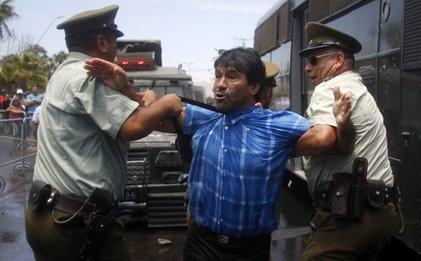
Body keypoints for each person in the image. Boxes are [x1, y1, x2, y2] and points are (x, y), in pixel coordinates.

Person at [85, 47, 353, 260]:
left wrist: (341, 123)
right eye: (218, 75)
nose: (220, 84)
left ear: (255, 87)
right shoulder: (201, 118)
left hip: (250, 251)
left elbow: (326, 138)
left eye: (232, 76)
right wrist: (125, 89)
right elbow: (148, 118)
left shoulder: (278, 125)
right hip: (201, 244)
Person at [25, 5, 182, 261]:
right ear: (101, 41)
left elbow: (134, 105)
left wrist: (133, 90)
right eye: (115, 43)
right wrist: (168, 101)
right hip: (76, 223)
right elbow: (133, 126)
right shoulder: (89, 76)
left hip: (43, 212)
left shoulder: (61, 73)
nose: (117, 51)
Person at [299, 22, 396, 260]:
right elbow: (345, 143)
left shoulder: (330, 88)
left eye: (313, 60)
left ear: (338, 60)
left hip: (350, 217)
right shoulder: (357, 87)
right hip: (379, 211)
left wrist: (275, 144)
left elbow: (322, 139)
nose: (307, 68)